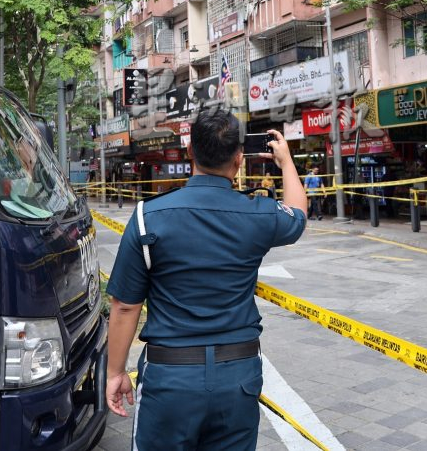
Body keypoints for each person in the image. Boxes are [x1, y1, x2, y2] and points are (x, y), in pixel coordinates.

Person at [105, 108, 307, 450]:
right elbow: (298, 215)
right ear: (239, 159)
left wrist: (115, 372)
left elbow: (125, 306)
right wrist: (286, 162)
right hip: (238, 377)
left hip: (170, 378)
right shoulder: (259, 214)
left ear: (189, 152)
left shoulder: (146, 217)